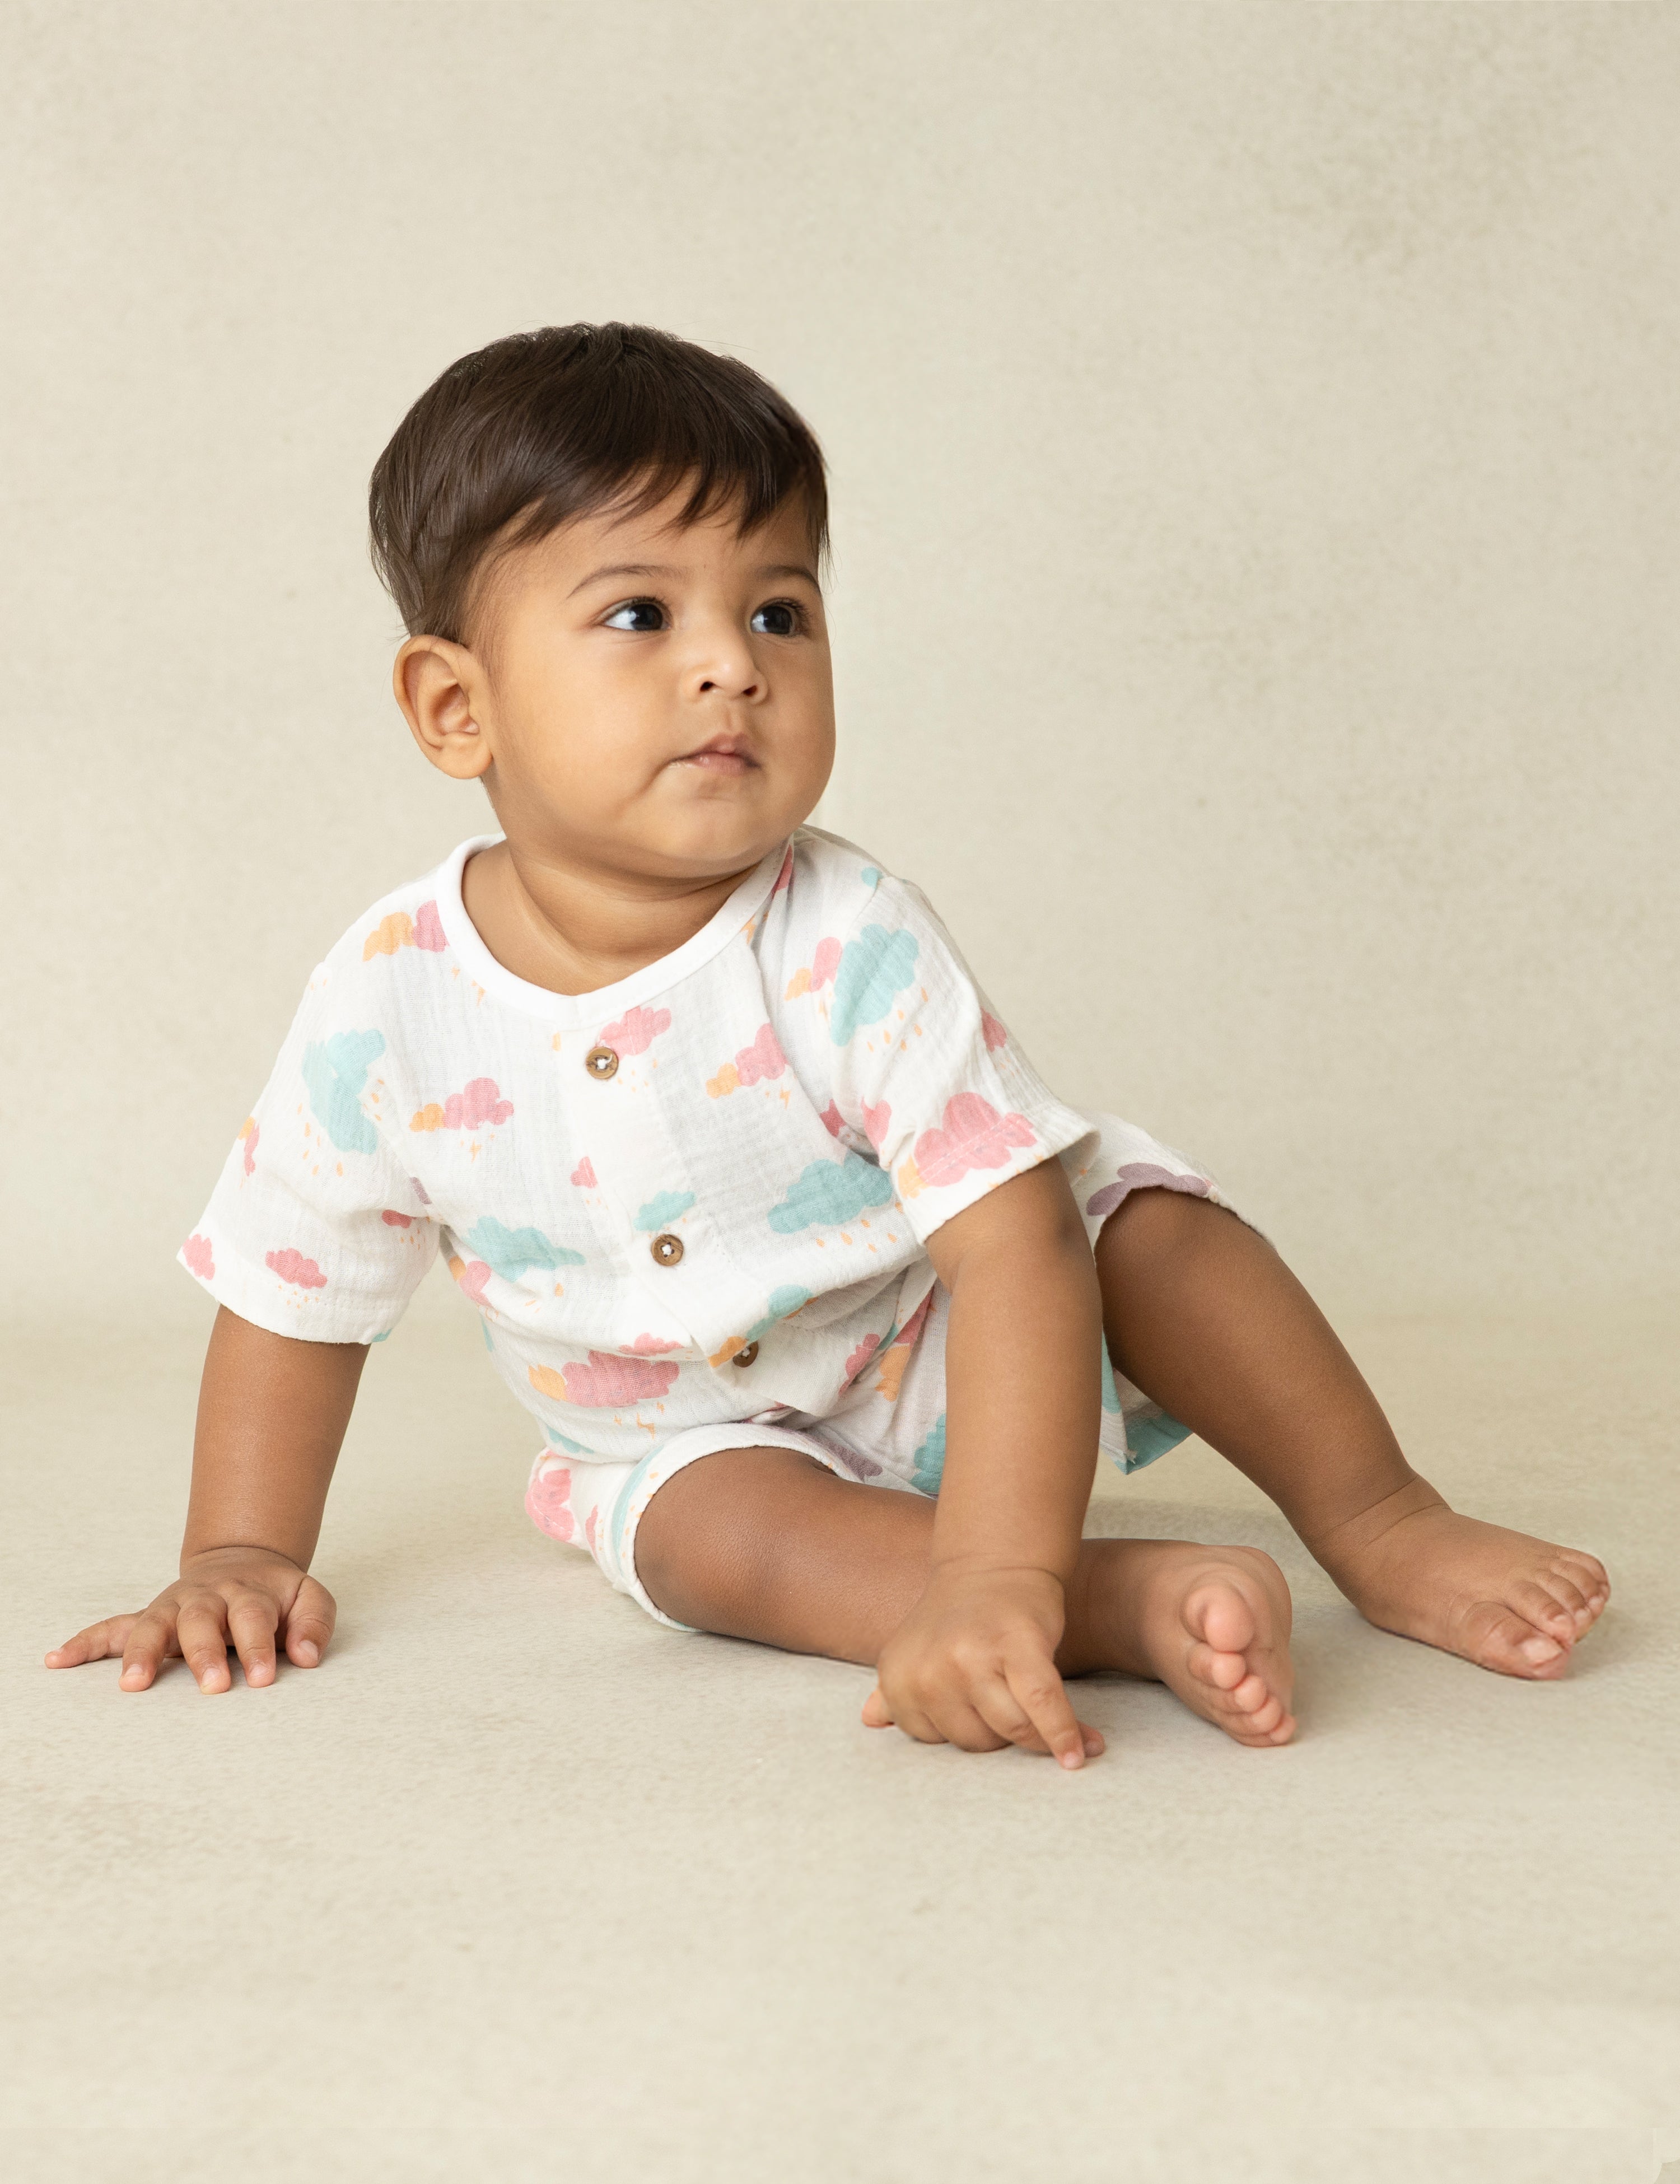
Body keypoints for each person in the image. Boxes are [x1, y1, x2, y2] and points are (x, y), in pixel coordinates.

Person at [46, 325, 1609, 1764]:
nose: (733, 660)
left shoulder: (846, 934)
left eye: (779, 608)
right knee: (716, 1545)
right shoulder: (389, 994)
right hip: (691, 1436)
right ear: (458, 707)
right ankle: (1113, 1603)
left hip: (954, 1337)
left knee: (1156, 1236)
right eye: (641, 612)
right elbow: (291, 1291)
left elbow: (1013, 1258)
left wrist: (997, 1548)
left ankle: (1380, 1516)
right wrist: (238, 1554)